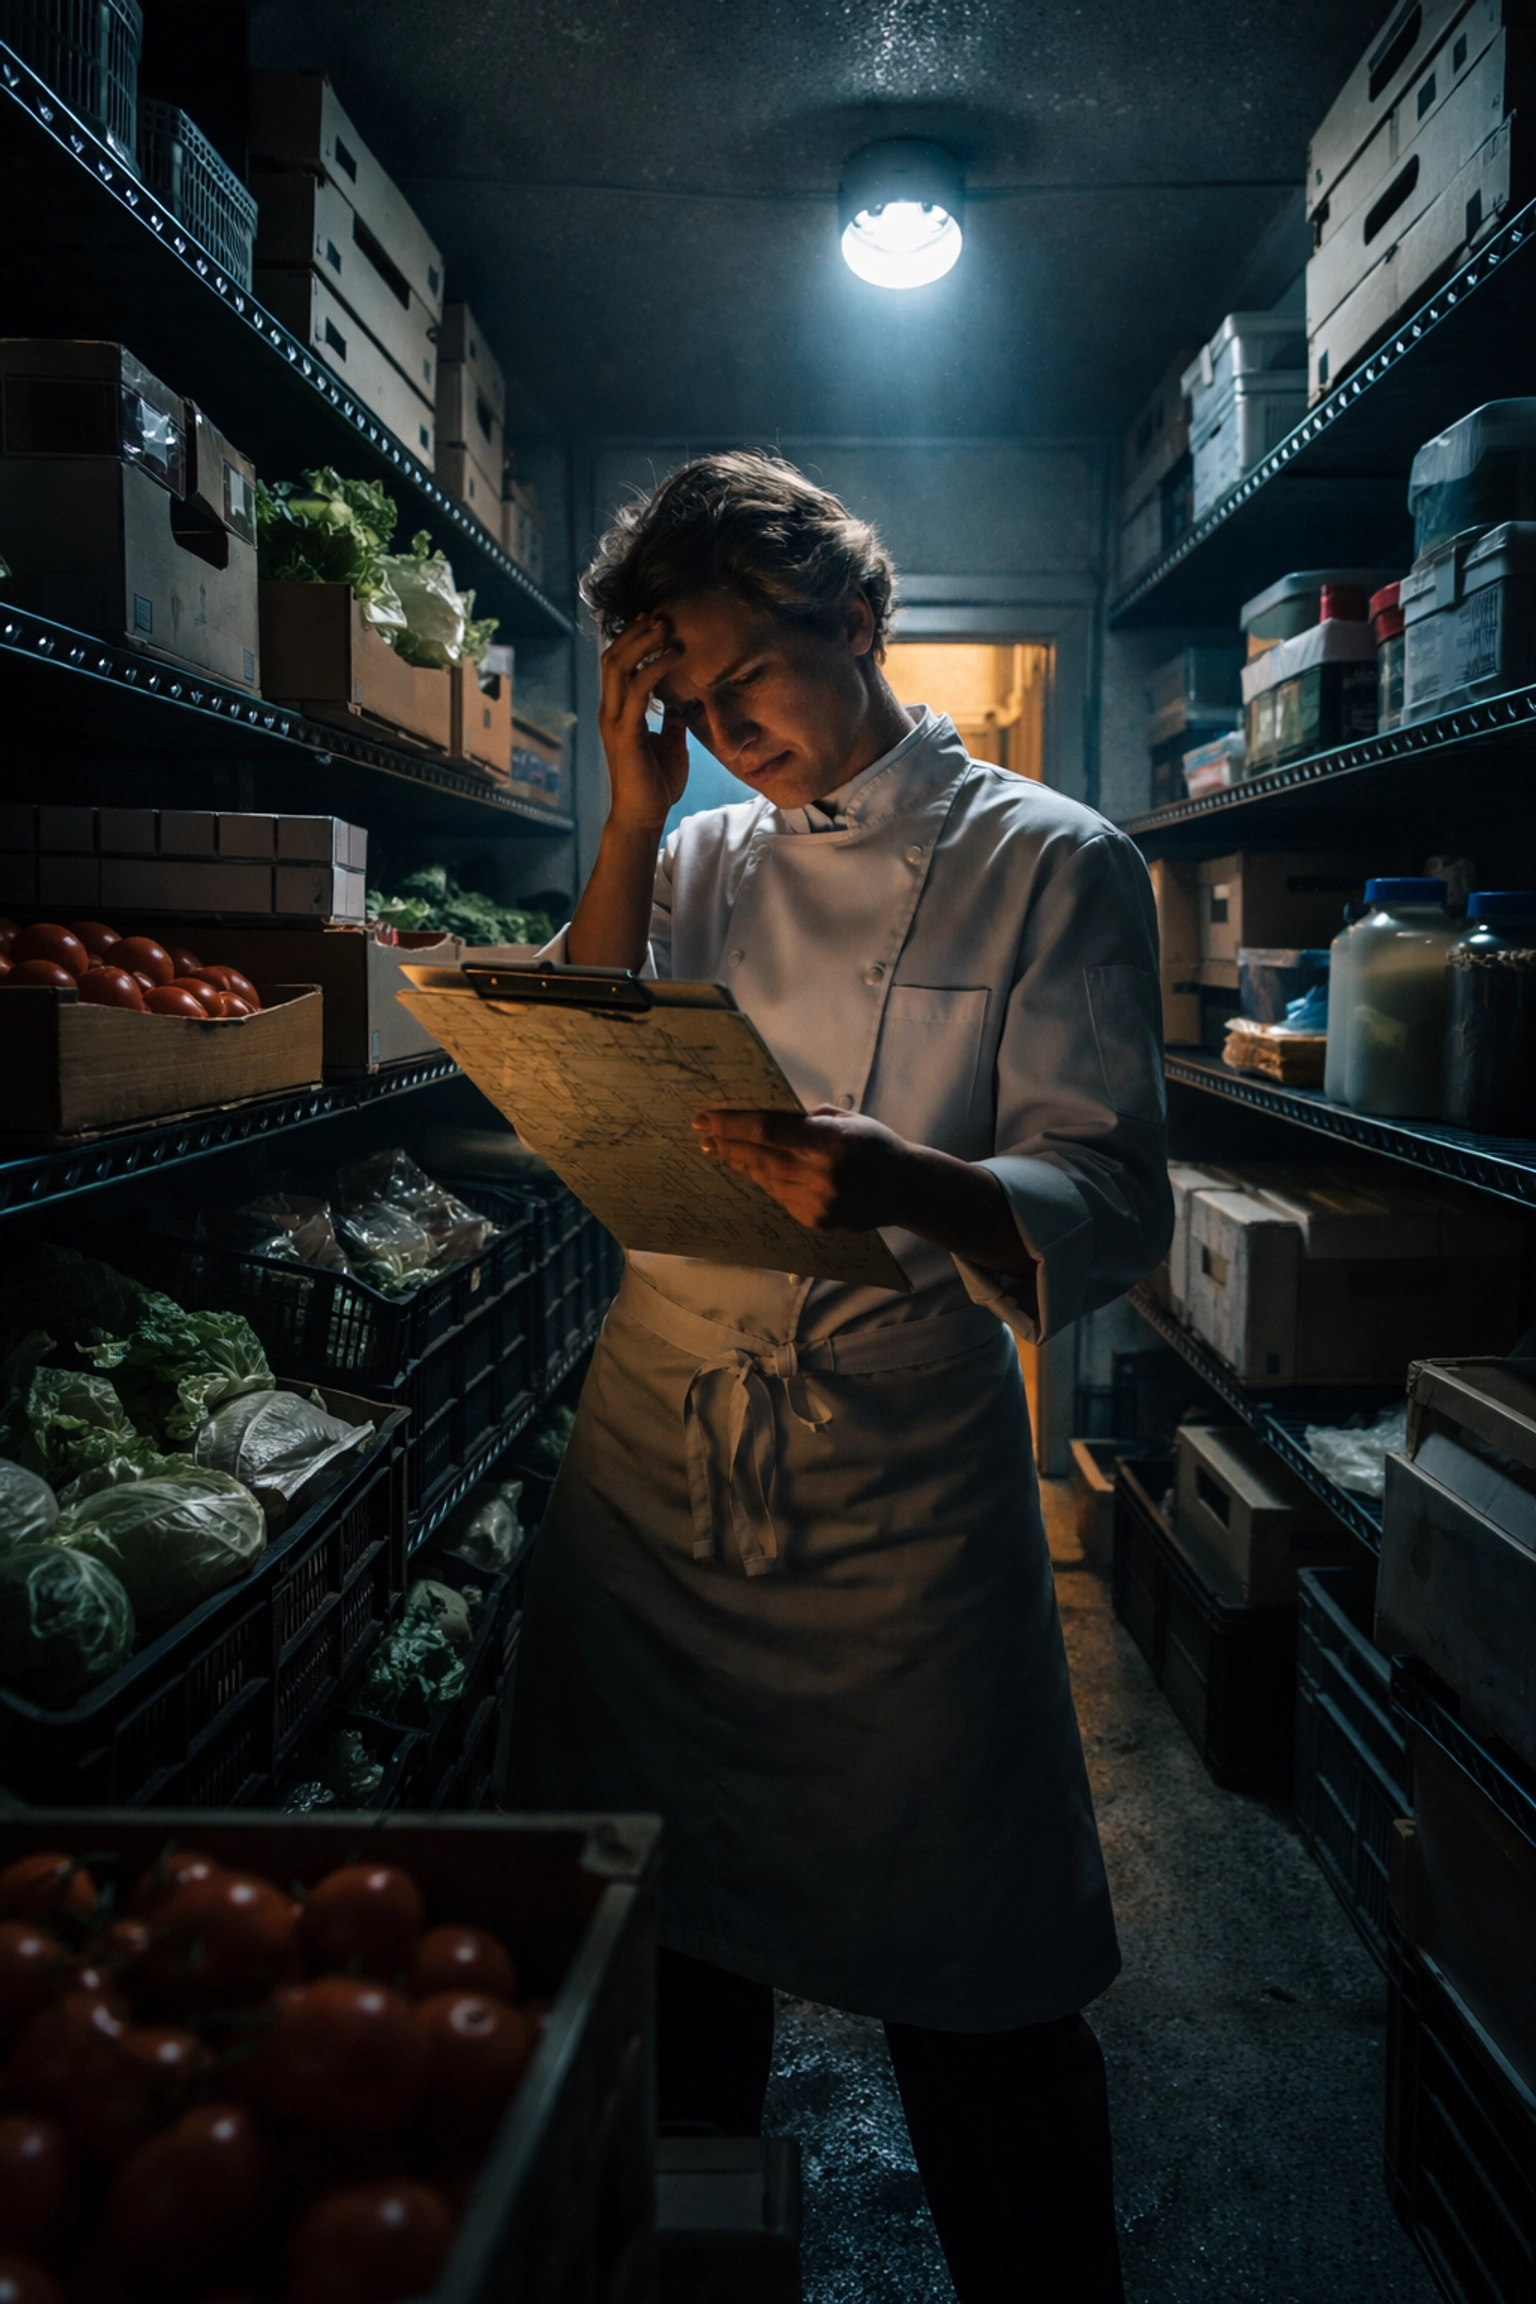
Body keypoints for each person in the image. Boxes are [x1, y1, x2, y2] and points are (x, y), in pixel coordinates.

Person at [510, 451, 1172, 2303]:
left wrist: (915, 1182)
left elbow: (1114, 1195)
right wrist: (632, 818)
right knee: (661, 1951)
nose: (728, 738)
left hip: (893, 1474)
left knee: (980, 1963)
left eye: (749, 686)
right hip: (659, 1449)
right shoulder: (697, 853)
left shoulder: (1053, 861)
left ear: (862, 620)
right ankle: (693, 2265)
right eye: (685, 707)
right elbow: (586, 1082)